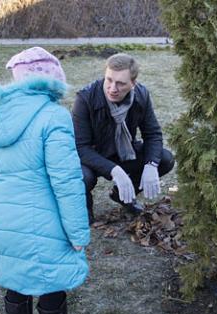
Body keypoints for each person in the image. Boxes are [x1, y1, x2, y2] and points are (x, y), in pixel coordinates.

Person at [0, 47, 90, 314]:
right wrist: (78, 234)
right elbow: (66, 182)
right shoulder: (54, 116)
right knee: (52, 285)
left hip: (7, 223)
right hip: (48, 224)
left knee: (16, 285)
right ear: (53, 79)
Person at [72, 53, 175, 222]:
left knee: (164, 159)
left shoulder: (141, 95)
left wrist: (151, 164)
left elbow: (153, 134)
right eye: (109, 80)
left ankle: (123, 195)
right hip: (91, 157)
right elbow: (80, 147)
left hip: (124, 151)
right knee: (82, 177)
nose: (113, 88)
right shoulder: (85, 98)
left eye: (120, 83)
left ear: (133, 84)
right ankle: (85, 207)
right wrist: (114, 170)